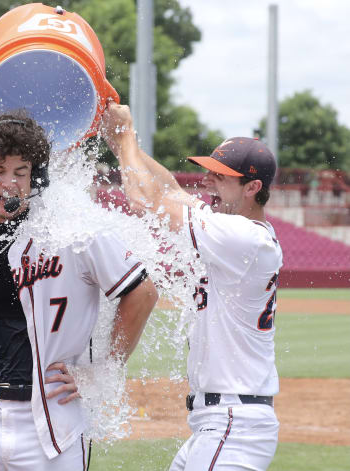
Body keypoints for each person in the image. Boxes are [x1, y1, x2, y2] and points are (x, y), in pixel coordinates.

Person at [0, 111, 158, 470]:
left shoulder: (74, 227)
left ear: (37, 177)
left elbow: (142, 292)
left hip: (50, 417)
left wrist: (103, 366)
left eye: (20, 173)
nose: (8, 183)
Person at [103, 103, 282, 471]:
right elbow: (168, 188)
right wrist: (124, 141)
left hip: (234, 425)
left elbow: (144, 201)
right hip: (220, 422)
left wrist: (126, 141)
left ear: (253, 188)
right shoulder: (234, 230)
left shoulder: (241, 238)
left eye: (221, 176)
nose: (207, 181)